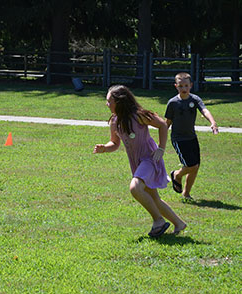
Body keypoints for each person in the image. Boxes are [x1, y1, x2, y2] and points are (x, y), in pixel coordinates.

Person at [93, 85, 186, 237]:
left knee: (135, 188)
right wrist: (105, 148)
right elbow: (115, 143)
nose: (107, 104)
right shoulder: (115, 121)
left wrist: (161, 148)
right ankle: (179, 223)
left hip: (150, 159)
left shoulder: (138, 115)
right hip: (137, 163)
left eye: (109, 101)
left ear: (120, 102)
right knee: (154, 198)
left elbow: (162, 125)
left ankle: (158, 221)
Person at [165, 72, 218, 200]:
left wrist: (212, 122)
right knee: (191, 165)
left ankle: (186, 193)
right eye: (181, 86)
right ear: (176, 86)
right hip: (179, 139)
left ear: (191, 86)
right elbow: (167, 122)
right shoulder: (172, 103)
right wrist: (161, 139)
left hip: (191, 137)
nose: (184, 88)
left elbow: (204, 110)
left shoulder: (195, 99)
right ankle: (177, 175)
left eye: (186, 86)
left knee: (195, 167)